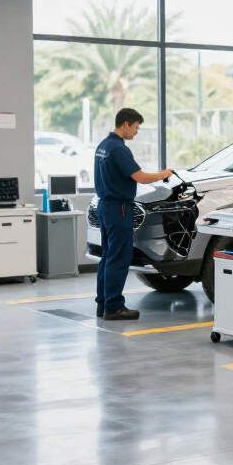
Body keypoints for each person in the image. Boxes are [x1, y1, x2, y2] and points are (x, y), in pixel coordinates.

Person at [94, 108, 173, 321]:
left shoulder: (103, 146)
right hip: (119, 208)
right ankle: (114, 307)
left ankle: (103, 303)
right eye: (136, 127)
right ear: (126, 124)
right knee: (119, 258)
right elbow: (140, 177)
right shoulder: (119, 148)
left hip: (104, 206)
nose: (136, 133)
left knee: (108, 257)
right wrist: (163, 175)